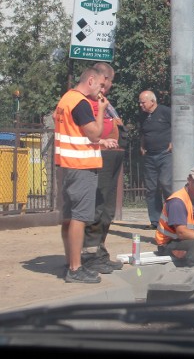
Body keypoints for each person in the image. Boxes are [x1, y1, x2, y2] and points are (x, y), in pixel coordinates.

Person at [54, 66, 118, 283]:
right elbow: (93, 133)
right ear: (91, 80)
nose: (102, 90)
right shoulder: (81, 103)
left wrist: (99, 143)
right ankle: (75, 268)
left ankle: (70, 261)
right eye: (101, 84)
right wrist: (101, 110)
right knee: (80, 217)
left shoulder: (66, 100)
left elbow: (77, 134)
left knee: (70, 216)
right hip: (81, 166)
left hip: (70, 164)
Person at [81, 62, 126, 274]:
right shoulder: (86, 102)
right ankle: (89, 256)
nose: (109, 86)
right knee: (97, 207)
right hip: (99, 157)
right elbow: (89, 131)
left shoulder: (104, 102)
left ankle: (100, 252)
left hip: (112, 156)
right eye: (109, 82)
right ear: (103, 79)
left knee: (107, 210)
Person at [138, 90, 172, 230]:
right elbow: (143, 132)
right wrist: (142, 146)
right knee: (151, 189)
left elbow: (178, 126)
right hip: (150, 156)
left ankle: (173, 219)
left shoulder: (165, 111)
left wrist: (173, 141)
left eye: (143, 102)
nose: (140, 105)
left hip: (166, 154)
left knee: (166, 183)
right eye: (139, 102)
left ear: (152, 101)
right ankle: (156, 221)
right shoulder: (142, 116)